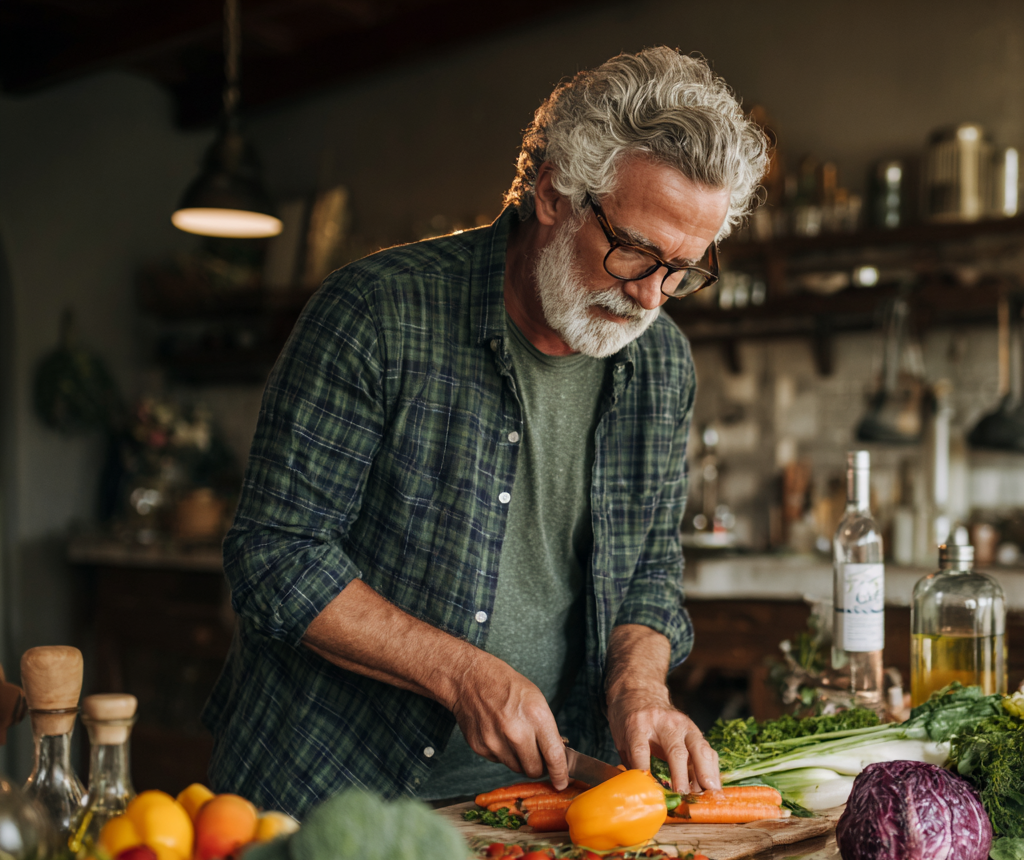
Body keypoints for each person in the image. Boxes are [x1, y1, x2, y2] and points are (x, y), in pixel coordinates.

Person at [203, 47, 768, 817]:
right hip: (328, 787)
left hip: (534, 803)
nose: (649, 296)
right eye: (633, 250)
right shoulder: (374, 315)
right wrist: (463, 672)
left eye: (681, 270)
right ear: (551, 194)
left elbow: (647, 572)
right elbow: (275, 556)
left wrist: (640, 687)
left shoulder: (661, 361)